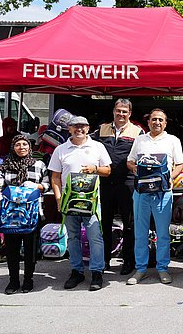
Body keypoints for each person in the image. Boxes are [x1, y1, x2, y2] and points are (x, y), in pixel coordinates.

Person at [49, 116, 112, 291]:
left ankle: (97, 272)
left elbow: (108, 171)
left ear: (88, 128)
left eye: (83, 126)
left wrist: (95, 169)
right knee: (73, 237)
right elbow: (55, 177)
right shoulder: (61, 150)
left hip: (91, 202)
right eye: (75, 126)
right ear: (69, 129)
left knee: (95, 237)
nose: (79, 129)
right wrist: (59, 199)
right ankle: (77, 271)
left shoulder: (97, 147)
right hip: (68, 201)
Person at [126, 108, 183, 285]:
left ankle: (162, 268)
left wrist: (169, 180)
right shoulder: (140, 139)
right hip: (141, 193)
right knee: (140, 232)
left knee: (163, 233)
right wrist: (135, 169)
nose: (157, 122)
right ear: (149, 122)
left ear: (165, 123)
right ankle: (141, 268)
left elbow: (180, 164)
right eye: (154, 119)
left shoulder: (172, 140)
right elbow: (130, 161)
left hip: (163, 193)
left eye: (160, 120)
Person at [91, 98, 143, 275]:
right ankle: (104, 260)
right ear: (113, 111)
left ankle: (128, 260)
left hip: (127, 181)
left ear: (130, 113)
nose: (121, 114)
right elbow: (89, 148)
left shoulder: (138, 131)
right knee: (104, 223)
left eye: (125, 111)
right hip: (105, 182)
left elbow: (142, 155)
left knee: (129, 224)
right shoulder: (101, 129)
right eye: (118, 110)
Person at [0, 134, 50, 294]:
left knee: (31, 250)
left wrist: (36, 186)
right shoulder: (5, 166)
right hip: (10, 216)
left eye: (24, 144)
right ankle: (13, 281)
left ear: (29, 146)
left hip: (33, 214)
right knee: (12, 250)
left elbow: (47, 185)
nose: (22, 147)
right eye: (18, 144)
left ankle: (28, 280)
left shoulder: (39, 165)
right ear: (13, 147)